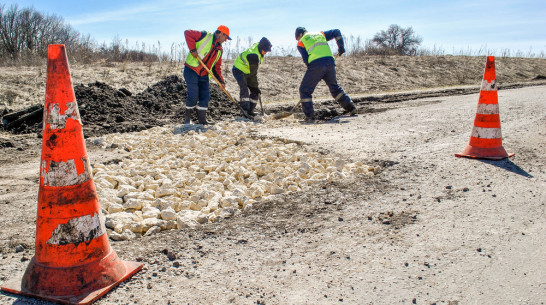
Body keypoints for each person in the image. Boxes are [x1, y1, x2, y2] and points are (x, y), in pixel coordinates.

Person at [295, 27, 356, 123]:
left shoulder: (301, 42)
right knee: (334, 88)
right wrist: (341, 46)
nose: (298, 40)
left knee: (304, 90)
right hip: (330, 62)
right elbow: (336, 31)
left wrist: (315, 73)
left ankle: (309, 117)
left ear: (300, 35)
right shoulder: (320, 34)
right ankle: (351, 108)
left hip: (316, 64)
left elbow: (306, 60)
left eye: (297, 38)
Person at [183, 25, 231, 125]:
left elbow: (216, 68)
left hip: (204, 74)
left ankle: (202, 120)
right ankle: (187, 119)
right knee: (193, 95)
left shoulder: (219, 50)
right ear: (221, 33)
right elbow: (187, 33)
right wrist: (192, 50)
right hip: (191, 69)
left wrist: (221, 81)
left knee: (205, 96)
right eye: (225, 37)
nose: (225, 40)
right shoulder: (205, 35)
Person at [232, 37, 272, 116]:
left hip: (248, 71)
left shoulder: (259, 50)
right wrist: (255, 86)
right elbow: (253, 74)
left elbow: (252, 74)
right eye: (265, 50)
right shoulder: (253, 55)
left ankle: (250, 111)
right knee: (244, 88)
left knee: (255, 92)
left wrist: (256, 89)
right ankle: (244, 111)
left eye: (267, 51)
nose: (266, 52)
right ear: (261, 48)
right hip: (238, 69)